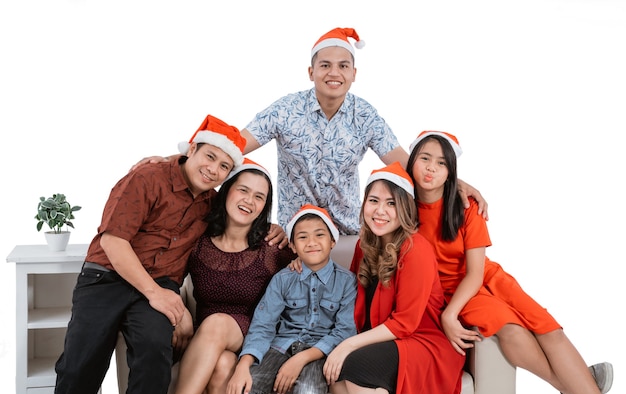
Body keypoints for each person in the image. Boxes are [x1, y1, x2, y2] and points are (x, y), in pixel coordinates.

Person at [134, 27, 488, 234]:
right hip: (292, 232)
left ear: (353, 73)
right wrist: (177, 158)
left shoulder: (365, 114)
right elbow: (233, 143)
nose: (334, 72)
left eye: (343, 65)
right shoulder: (286, 109)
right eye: (325, 65)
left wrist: (456, 180)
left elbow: (405, 162)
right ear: (311, 71)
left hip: (350, 232)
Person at [406, 131, 614, 394]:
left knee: (549, 329)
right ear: (411, 160)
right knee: (512, 331)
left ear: (451, 172)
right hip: (449, 291)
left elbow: (476, 272)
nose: (431, 168)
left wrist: (449, 315)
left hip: (481, 278)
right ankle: (571, 385)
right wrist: (448, 311)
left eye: (441, 163)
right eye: (424, 159)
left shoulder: (467, 205)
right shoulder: (400, 202)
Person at [53, 114, 249, 394]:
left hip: (161, 285)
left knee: (156, 353)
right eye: (209, 156)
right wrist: (157, 295)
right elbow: (113, 242)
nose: (214, 169)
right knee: (80, 363)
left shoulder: (211, 203)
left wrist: (276, 230)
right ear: (192, 149)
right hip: (107, 277)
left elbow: (246, 205)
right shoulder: (148, 178)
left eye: (224, 166)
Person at [323, 163, 465, 394]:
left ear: (405, 210)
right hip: (388, 339)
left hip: (422, 342)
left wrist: (347, 346)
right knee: (333, 371)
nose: (380, 211)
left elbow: (406, 323)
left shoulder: (415, 248)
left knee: (355, 365)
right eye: (374, 201)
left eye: (391, 204)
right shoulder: (363, 246)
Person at [164, 158, 297, 394]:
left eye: (259, 197)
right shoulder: (198, 241)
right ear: (226, 191)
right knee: (223, 363)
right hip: (209, 339)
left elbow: (309, 270)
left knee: (216, 323)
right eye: (243, 190)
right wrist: (178, 310)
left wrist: (293, 240)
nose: (249, 201)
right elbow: (167, 276)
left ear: (264, 207)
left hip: (255, 332)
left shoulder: (272, 246)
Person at [226, 204, 358, 394]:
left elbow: (344, 331)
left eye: (319, 235)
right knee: (243, 393)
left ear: (333, 241)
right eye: (303, 237)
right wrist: (244, 364)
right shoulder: (282, 279)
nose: (312, 242)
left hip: (319, 351)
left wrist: (301, 359)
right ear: (294, 247)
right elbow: (263, 325)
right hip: (280, 346)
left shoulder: (347, 282)